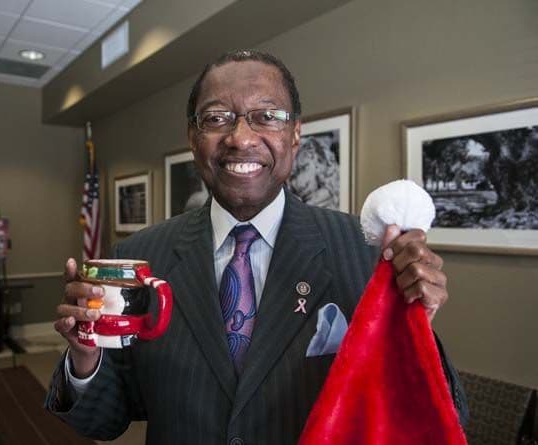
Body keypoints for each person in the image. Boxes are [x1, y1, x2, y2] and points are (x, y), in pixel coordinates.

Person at [46, 49, 467, 444]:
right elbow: (105, 419)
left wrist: (412, 328)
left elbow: (434, 416)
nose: (241, 138)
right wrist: (85, 359)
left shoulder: (366, 253)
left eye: (267, 116)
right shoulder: (137, 259)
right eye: (216, 118)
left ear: (295, 135)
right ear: (193, 138)